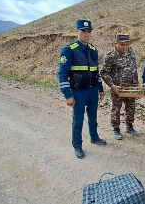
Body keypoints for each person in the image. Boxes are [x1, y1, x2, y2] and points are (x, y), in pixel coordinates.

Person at [58, 19, 107, 159]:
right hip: (78, 92)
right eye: (83, 31)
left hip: (92, 91)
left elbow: (95, 72)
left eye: (89, 31)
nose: (86, 34)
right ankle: (77, 145)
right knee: (78, 120)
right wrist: (67, 95)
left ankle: (94, 137)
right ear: (77, 31)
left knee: (93, 118)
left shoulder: (93, 50)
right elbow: (62, 75)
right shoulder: (69, 49)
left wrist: (101, 89)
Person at [100, 33, 139, 140]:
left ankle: (129, 126)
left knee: (131, 107)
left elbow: (133, 68)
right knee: (116, 108)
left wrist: (137, 85)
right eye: (122, 45)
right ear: (115, 44)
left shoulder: (131, 52)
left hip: (131, 87)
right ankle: (116, 129)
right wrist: (112, 85)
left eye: (127, 44)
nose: (125, 47)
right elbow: (104, 72)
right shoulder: (110, 56)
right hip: (117, 88)